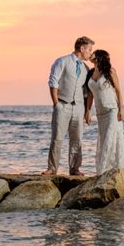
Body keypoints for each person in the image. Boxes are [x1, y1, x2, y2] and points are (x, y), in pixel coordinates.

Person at [43, 36, 95, 176]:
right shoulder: (62, 61)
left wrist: (86, 111)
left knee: (77, 139)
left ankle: (75, 168)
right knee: (57, 138)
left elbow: (86, 92)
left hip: (79, 107)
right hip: (62, 105)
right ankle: (52, 168)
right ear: (82, 48)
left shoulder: (85, 68)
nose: (91, 53)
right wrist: (56, 104)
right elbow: (53, 82)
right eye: (89, 50)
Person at [84, 50, 124, 174]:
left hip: (112, 110)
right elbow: (90, 95)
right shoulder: (91, 73)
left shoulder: (110, 71)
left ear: (99, 57)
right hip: (100, 113)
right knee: (104, 140)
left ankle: (104, 171)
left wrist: (121, 110)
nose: (91, 54)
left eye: (94, 53)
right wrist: (87, 111)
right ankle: (108, 169)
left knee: (110, 138)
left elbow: (118, 91)